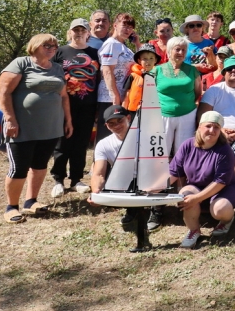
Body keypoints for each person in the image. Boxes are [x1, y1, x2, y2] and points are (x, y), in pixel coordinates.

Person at [0, 34, 72, 223]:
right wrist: (10, 119)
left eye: (54, 46)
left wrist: (68, 120)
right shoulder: (21, 63)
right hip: (22, 127)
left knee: (39, 165)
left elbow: (64, 96)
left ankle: (31, 201)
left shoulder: (57, 68)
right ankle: (11, 207)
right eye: (47, 45)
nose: (51, 49)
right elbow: (4, 92)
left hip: (50, 127)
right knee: (19, 168)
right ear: (35, 46)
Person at [169, 111, 235, 248]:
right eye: (208, 126)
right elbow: (174, 172)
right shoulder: (187, 145)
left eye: (216, 127)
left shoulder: (225, 150)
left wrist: (197, 198)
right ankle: (194, 231)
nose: (212, 130)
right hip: (197, 187)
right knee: (184, 194)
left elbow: (220, 182)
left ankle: (227, 220)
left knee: (220, 209)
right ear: (199, 126)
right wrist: (155, 188)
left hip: (225, 189)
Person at [50, 18, 100, 198]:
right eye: (75, 30)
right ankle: (58, 179)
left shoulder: (95, 53)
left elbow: (100, 79)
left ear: (88, 33)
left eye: (82, 30)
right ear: (69, 32)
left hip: (88, 105)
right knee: (63, 142)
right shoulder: (60, 52)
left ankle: (76, 179)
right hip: (63, 105)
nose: (79, 33)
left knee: (81, 143)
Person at [87, 105, 142, 231]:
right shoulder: (103, 144)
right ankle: (132, 209)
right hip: (125, 179)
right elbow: (98, 174)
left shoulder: (145, 136)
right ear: (106, 126)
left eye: (120, 121)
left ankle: (157, 211)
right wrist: (95, 193)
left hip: (147, 176)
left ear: (128, 118)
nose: (116, 125)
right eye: (111, 123)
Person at [152, 36, 203, 157]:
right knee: (160, 152)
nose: (181, 52)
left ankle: (180, 171)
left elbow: (198, 92)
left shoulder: (192, 70)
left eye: (184, 50)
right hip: (162, 115)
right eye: (177, 49)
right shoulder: (157, 70)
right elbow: (149, 94)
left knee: (183, 152)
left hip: (187, 115)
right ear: (169, 51)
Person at [96, 13, 137, 142]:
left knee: (119, 137)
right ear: (115, 25)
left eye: (130, 27)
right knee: (106, 137)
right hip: (110, 98)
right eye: (124, 25)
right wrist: (115, 96)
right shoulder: (111, 44)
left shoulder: (123, 46)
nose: (127, 29)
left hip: (122, 96)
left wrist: (137, 43)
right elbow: (107, 70)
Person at [121, 43, 161, 112]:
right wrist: (123, 112)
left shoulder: (159, 76)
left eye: (151, 58)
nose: (148, 61)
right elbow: (127, 96)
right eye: (145, 59)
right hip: (134, 112)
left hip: (152, 111)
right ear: (139, 61)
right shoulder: (133, 76)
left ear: (155, 60)